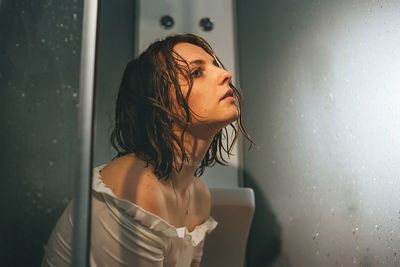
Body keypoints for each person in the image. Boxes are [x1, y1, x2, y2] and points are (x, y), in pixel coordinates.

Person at [42, 33, 254, 267]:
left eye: (214, 66)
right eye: (196, 72)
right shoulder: (137, 188)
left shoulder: (199, 196)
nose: (225, 74)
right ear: (160, 104)